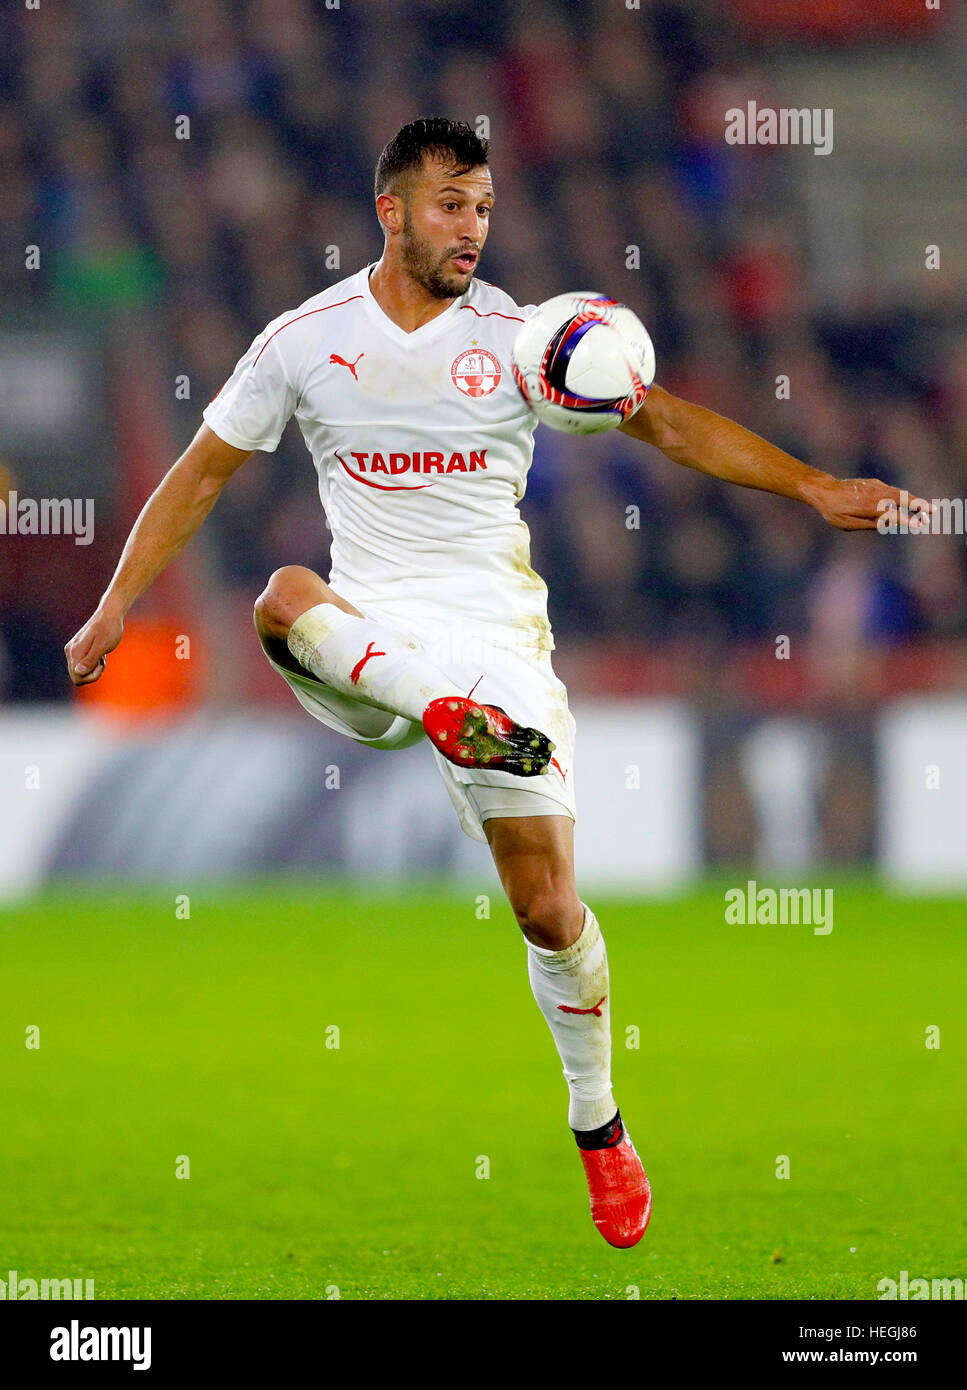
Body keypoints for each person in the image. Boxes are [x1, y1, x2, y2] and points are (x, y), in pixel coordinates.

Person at [65, 118, 925, 1249]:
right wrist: (117, 600)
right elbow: (203, 470)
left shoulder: (526, 343)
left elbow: (662, 421)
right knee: (282, 591)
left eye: (482, 207)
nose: (472, 228)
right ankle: (443, 718)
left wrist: (812, 485)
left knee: (548, 910)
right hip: (368, 638)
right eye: (449, 207)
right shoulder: (303, 342)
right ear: (391, 212)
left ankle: (598, 1124)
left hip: (495, 645)